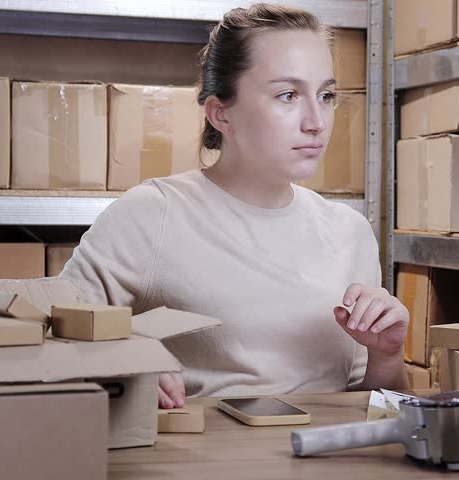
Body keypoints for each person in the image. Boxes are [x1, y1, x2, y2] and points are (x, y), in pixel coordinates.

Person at [61, 3, 409, 409]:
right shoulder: (152, 214)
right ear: (221, 113)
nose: (317, 120)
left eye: (327, 95)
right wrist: (122, 363)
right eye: (288, 95)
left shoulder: (350, 231)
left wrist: (387, 355)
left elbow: (373, 408)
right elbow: (48, 338)